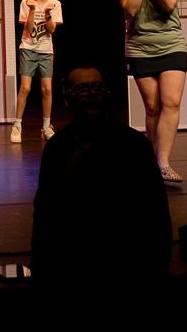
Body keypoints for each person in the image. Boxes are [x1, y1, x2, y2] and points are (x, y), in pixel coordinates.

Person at [31, 66, 172, 292]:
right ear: (67, 98)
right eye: (83, 89)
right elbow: (45, 216)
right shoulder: (57, 149)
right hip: (72, 270)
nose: (91, 95)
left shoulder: (135, 146)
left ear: (107, 93)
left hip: (129, 269)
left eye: (96, 88)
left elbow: (156, 214)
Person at [117, 0, 187, 183]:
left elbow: (169, 5)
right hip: (140, 48)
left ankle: (163, 162)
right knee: (152, 106)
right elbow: (131, 9)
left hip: (171, 44)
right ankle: (152, 160)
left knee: (172, 102)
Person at [12, 0, 63, 143]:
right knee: (25, 88)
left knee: (47, 89)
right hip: (28, 48)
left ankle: (46, 126)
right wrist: (32, 10)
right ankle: (17, 125)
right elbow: (28, 28)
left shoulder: (55, 4)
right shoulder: (26, 2)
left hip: (46, 50)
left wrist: (47, 14)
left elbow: (51, 29)